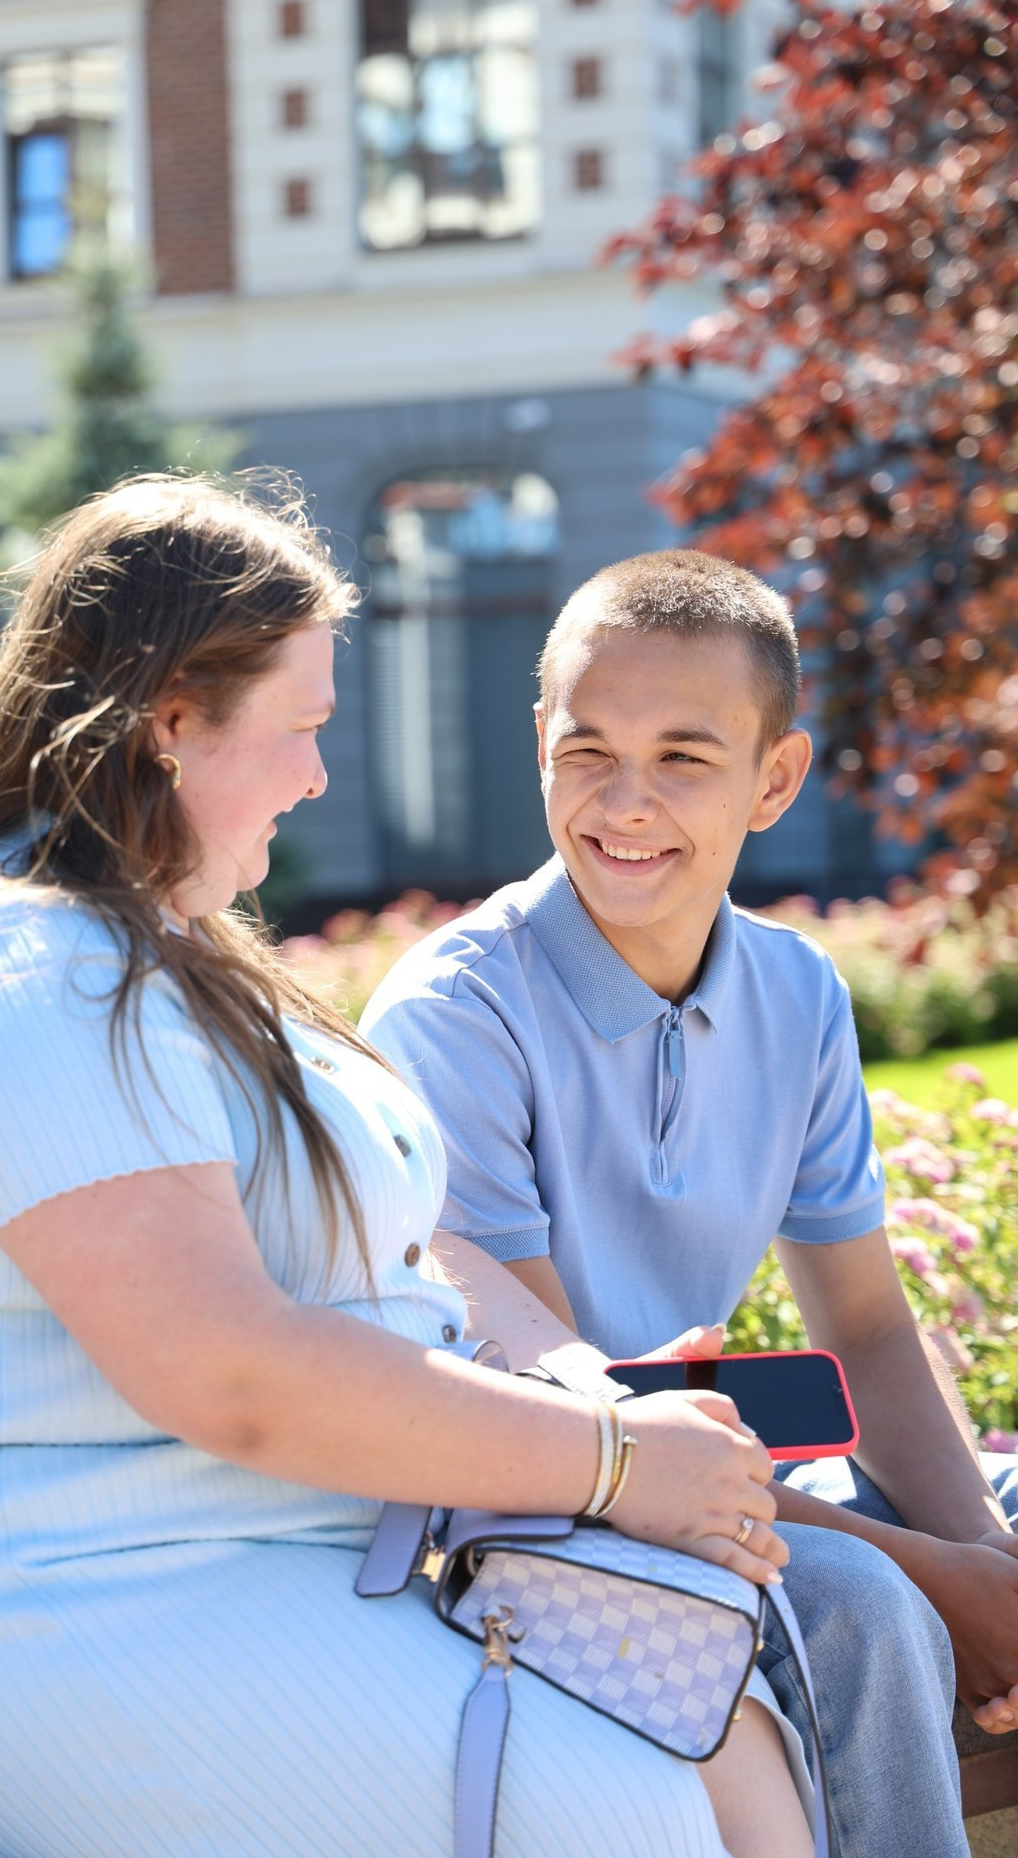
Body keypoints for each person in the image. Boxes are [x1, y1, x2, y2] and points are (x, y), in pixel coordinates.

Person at [0, 480, 811, 1858]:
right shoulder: (13, 966)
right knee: (636, 1805)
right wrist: (611, 1463)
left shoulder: (147, 957)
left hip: (206, 1588)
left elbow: (381, 1275)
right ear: (172, 719)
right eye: (300, 727)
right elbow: (231, 1371)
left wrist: (576, 1393)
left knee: (727, 1728)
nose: (317, 774)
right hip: (17, 1623)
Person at [361, 547, 1018, 1858]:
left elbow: (871, 1337)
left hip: (733, 1470)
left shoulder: (798, 995)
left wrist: (984, 1555)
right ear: (539, 743)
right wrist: (939, 1579)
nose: (626, 802)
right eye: (587, 749)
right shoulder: (458, 1016)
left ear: (776, 778)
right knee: (868, 1608)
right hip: (545, 1502)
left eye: (682, 757)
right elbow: (571, 1412)